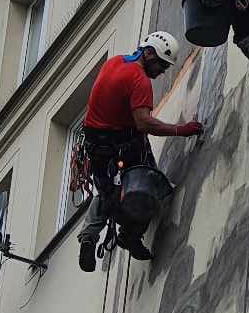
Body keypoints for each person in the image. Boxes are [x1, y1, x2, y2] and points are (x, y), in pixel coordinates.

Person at [76, 31, 202, 272]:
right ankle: (131, 234)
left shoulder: (116, 62)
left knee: (106, 191)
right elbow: (145, 123)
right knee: (146, 183)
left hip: (96, 144)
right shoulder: (139, 80)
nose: (163, 71)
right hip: (122, 141)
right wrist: (181, 130)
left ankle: (89, 236)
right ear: (149, 53)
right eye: (162, 64)